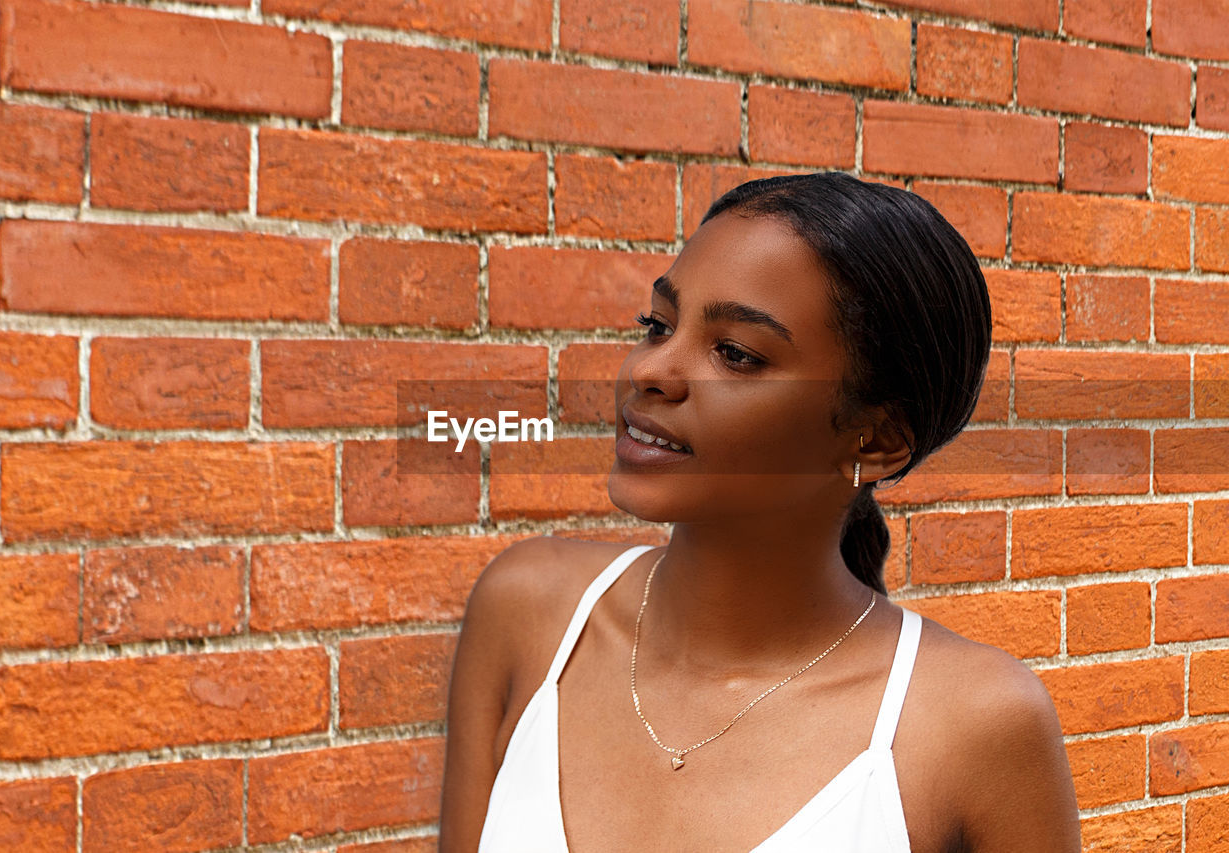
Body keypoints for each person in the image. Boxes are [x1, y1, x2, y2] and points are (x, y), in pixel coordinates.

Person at [439, 173, 1081, 852]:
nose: (654, 369)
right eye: (658, 324)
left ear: (876, 439)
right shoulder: (530, 612)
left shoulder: (973, 723)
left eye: (736, 353)